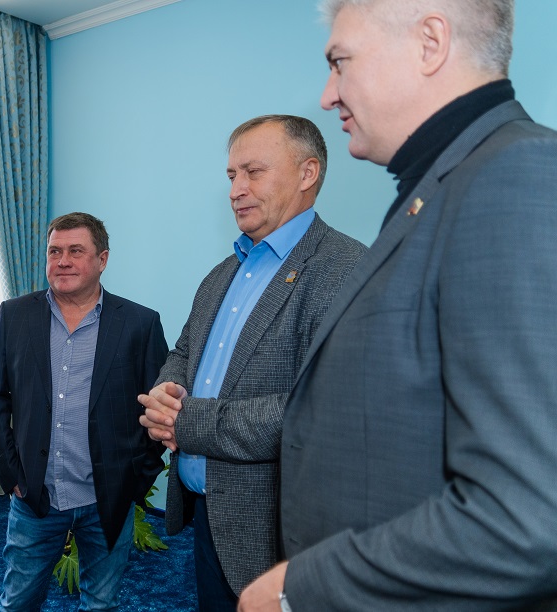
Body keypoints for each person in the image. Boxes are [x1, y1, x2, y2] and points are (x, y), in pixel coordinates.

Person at [239, 1, 557, 611]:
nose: (328, 95)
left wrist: (302, 588)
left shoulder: (515, 175)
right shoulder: (437, 189)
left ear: (430, 42)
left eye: (340, 62)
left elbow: (527, 514)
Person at [138, 115, 366, 611]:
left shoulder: (347, 268)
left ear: (307, 173)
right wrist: (166, 391)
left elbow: (318, 409)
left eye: (253, 172)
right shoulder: (224, 273)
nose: (236, 190)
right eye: (231, 176)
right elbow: (184, 352)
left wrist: (185, 422)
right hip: (208, 514)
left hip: (277, 531)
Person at [0, 212, 168, 610]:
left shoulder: (140, 323)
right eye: (55, 252)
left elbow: (158, 409)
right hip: (36, 496)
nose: (62, 261)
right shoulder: (15, 315)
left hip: (108, 498)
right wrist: (12, 476)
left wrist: (136, 479)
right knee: (18, 602)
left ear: (102, 259)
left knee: (101, 603)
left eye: (76, 251)